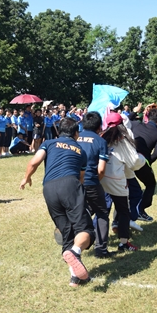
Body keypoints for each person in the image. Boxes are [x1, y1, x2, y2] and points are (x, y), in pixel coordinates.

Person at [19, 117, 95, 288]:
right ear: (76, 134)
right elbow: (81, 178)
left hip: (49, 188)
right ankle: (75, 252)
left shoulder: (49, 143)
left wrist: (26, 178)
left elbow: (34, 161)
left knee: (66, 232)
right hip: (70, 184)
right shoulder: (80, 151)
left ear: (59, 131)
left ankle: (75, 278)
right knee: (86, 230)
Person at [101, 113, 145, 252]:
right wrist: (142, 158)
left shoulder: (102, 137)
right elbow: (134, 162)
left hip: (101, 177)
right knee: (123, 211)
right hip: (117, 179)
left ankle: (99, 243)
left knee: (102, 212)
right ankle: (123, 243)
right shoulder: (123, 138)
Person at [76, 111, 112, 258]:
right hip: (91, 181)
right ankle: (101, 249)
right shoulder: (100, 141)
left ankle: (74, 243)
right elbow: (101, 169)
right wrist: (97, 180)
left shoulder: (75, 138)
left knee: (80, 211)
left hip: (74, 182)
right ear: (99, 126)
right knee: (102, 212)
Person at [130, 107, 157, 222]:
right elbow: (155, 154)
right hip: (141, 162)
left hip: (127, 160)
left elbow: (125, 120)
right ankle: (140, 210)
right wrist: (147, 163)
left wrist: (135, 111)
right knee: (150, 184)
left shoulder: (136, 124)